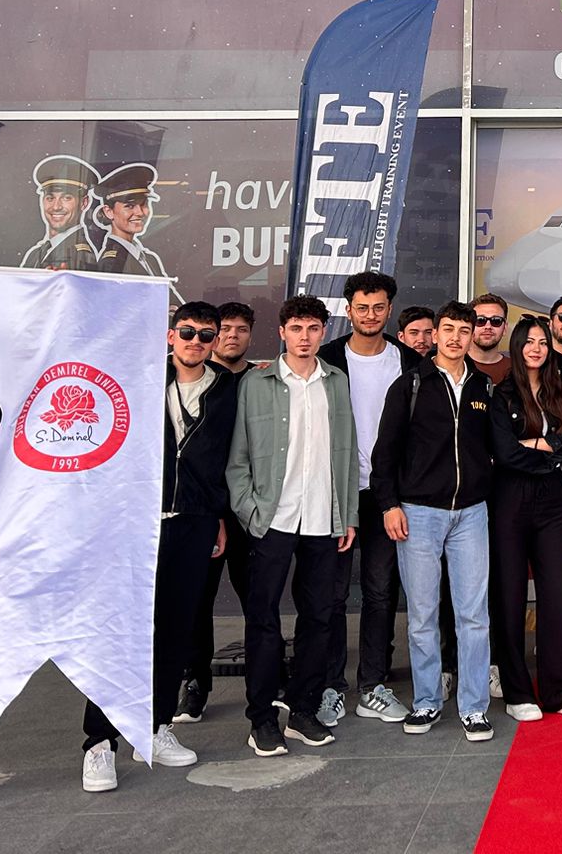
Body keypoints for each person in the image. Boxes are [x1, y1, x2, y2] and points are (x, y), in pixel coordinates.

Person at [81, 301, 240, 790]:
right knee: (120, 630)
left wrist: (217, 516)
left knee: (175, 629)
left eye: (206, 335)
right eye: (187, 332)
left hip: (194, 521)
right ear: (171, 336)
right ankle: (99, 743)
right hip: (133, 521)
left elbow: (224, 457)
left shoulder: (228, 389)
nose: (196, 342)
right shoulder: (137, 380)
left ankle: (154, 727)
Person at [225, 296, 357, 759]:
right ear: (282, 332)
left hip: (323, 517)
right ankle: (262, 719)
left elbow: (347, 450)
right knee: (263, 620)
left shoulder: (335, 382)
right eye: (297, 328)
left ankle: (303, 710)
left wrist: (348, 514)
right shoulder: (256, 383)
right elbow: (237, 457)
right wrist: (249, 511)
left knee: (319, 618)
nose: (305, 337)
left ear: (324, 332)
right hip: (271, 520)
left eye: (313, 328)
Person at [372, 300, 495, 741]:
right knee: (423, 614)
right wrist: (389, 504)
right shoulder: (410, 385)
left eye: (464, 330)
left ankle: (474, 707)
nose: (456, 338)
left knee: (473, 615)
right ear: (436, 334)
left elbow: (492, 448)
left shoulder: (483, 386)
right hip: (418, 513)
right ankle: (426, 701)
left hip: (471, 513)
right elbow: (384, 453)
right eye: (449, 329)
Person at [313, 271, 408, 727]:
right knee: (331, 594)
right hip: (335, 492)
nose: (370, 315)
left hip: (387, 495)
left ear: (389, 309)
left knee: (380, 592)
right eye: (362, 307)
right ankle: (331, 685)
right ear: (348, 310)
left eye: (378, 307)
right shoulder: (326, 358)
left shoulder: (409, 361)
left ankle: (372, 685)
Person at [489, 317, 562, 721]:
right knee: (510, 596)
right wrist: (552, 447)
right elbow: (504, 452)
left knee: (558, 593)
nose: (536, 348)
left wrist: (535, 443)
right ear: (517, 346)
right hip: (510, 500)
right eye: (529, 341)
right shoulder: (501, 394)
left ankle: (560, 691)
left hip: (551, 500)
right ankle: (517, 693)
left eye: (543, 342)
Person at [180, 301, 256, 722]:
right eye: (223, 329)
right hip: (202, 511)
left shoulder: (260, 381)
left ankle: (266, 682)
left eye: (240, 329)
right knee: (196, 602)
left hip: (247, 510)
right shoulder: (187, 380)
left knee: (257, 599)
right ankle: (195, 683)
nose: (230, 336)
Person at [87, 162, 180, 300]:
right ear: (109, 212)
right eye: (129, 206)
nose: (140, 212)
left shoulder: (149, 259)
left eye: (143, 204)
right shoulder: (112, 263)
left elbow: (170, 301)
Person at [22, 154, 98, 270]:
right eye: (50, 198)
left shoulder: (78, 256)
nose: (56, 207)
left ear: (84, 203)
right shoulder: (36, 254)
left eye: (66, 198)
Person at [468, 293, 512, 385]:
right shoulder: (454, 366)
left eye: (496, 321)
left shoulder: (517, 371)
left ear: (505, 328)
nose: (488, 326)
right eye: (480, 320)